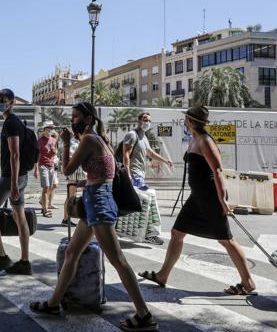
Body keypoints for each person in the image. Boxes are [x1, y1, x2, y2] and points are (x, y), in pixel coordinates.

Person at [30, 102, 158, 332]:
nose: (73, 120)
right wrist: (85, 182)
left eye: (76, 116)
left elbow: (67, 169)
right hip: (94, 200)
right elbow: (103, 173)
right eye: (72, 116)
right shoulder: (100, 139)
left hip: (99, 203)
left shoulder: (89, 139)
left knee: (118, 259)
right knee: (72, 252)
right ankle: (53, 304)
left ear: (88, 119)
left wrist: (66, 142)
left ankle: (144, 314)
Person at [138, 106, 256, 296]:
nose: (184, 121)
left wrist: (222, 199)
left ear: (191, 121)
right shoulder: (195, 139)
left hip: (209, 197)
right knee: (177, 233)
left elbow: (217, 170)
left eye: (186, 119)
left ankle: (248, 282)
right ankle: (162, 275)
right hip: (197, 198)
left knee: (226, 240)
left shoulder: (205, 141)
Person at [0, 88, 32, 276]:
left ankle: (2, 258)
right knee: (19, 217)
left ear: (12, 102)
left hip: (11, 178)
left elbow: (15, 154)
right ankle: (25, 262)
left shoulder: (10, 123)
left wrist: (12, 185)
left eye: (3, 100)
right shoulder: (17, 122)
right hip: (21, 176)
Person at [122, 111, 172, 245]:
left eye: (149, 120)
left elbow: (150, 153)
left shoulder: (143, 137)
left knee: (141, 206)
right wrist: (128, 175)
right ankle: (150, 234)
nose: (147, 122)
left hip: (140, 175)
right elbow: (125, 155)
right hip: (135, 175)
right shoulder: (132, 135)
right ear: (138, 121)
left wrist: (165, 160)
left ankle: (140, 232)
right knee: (146, 205)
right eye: (145, 119)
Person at [33, 121, 57, 218]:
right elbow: (36, 155)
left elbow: (55, 152)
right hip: (43, 165)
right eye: (48, 128)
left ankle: (44, 205)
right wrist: (36, 169)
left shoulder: (53, 140)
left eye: (52, 128)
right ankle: (45, 209)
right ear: (44, 129)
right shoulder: (40, 140)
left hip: (51, 165)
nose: (50, 129)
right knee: (46, 187)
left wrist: (55, 152)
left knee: (50, 187)